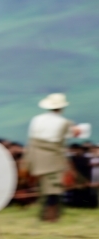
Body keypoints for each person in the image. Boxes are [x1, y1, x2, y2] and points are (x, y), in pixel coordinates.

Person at [24, 93, 82, 221]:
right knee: (53, 188)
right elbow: (74, 134)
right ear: (62, 107)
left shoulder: (36, 119)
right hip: (53, 158)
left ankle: (45, 214)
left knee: (43, 187)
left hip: (35, 156)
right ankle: (51, 216)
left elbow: (31, 138)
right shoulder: (64, 122)